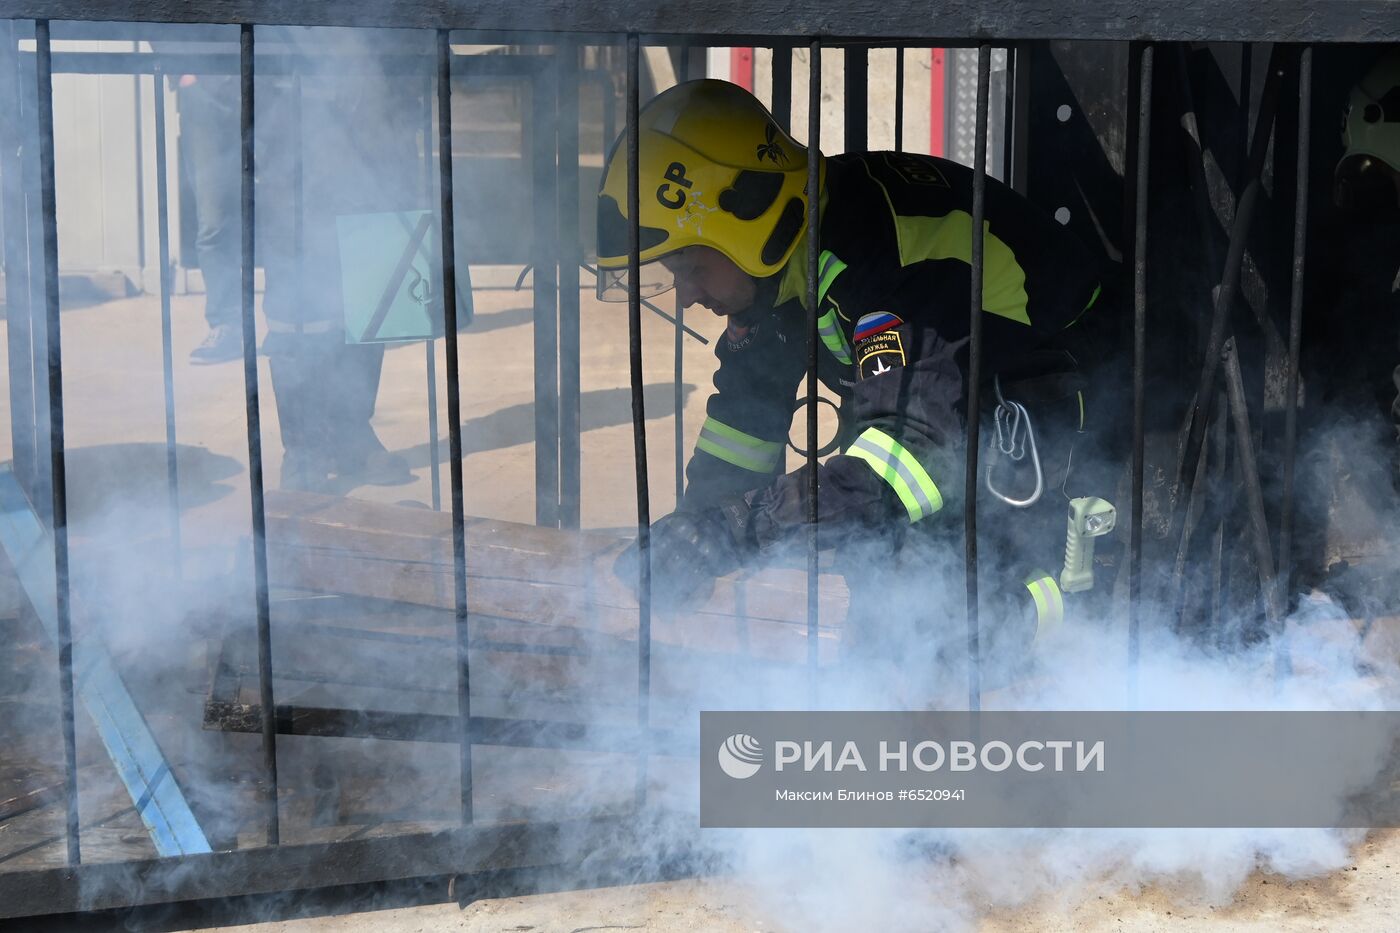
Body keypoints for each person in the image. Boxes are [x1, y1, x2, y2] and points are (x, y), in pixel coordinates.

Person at [596, 80, 1101, 660]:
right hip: (970, 422)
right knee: (885, 607)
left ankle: (1087, 613)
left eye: (688, 265)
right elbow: (744, 423)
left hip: (1065, 414)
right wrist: (695, 534)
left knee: (938, 640)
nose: (685, 295)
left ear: (744, 222)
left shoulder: (871, 258)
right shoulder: (781, 262)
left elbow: (910, 459)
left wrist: (737, 530)